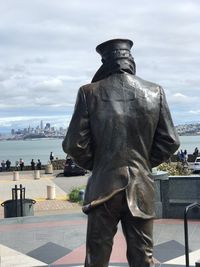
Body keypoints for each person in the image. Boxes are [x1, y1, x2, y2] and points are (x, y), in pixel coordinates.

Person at [62, 39, 180, 267]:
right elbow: (171, 141)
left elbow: (73, 144)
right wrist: (144, 163)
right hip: (142, 188)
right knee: (143, 257)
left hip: (103, 188)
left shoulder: (89, 92)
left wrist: (99, 164)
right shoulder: (155, 92)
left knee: (96, 256)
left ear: (106, 62)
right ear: (130, 60)